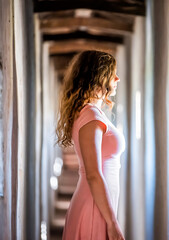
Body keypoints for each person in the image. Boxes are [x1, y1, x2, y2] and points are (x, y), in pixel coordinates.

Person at [55, 50, 125, 240]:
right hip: (94, 207)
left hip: (98, 205)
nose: (117, 78)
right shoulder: (91, 116)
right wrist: (112, 222)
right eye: (112, 74)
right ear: (98, 77)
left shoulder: (92, 113)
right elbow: (93, 174)